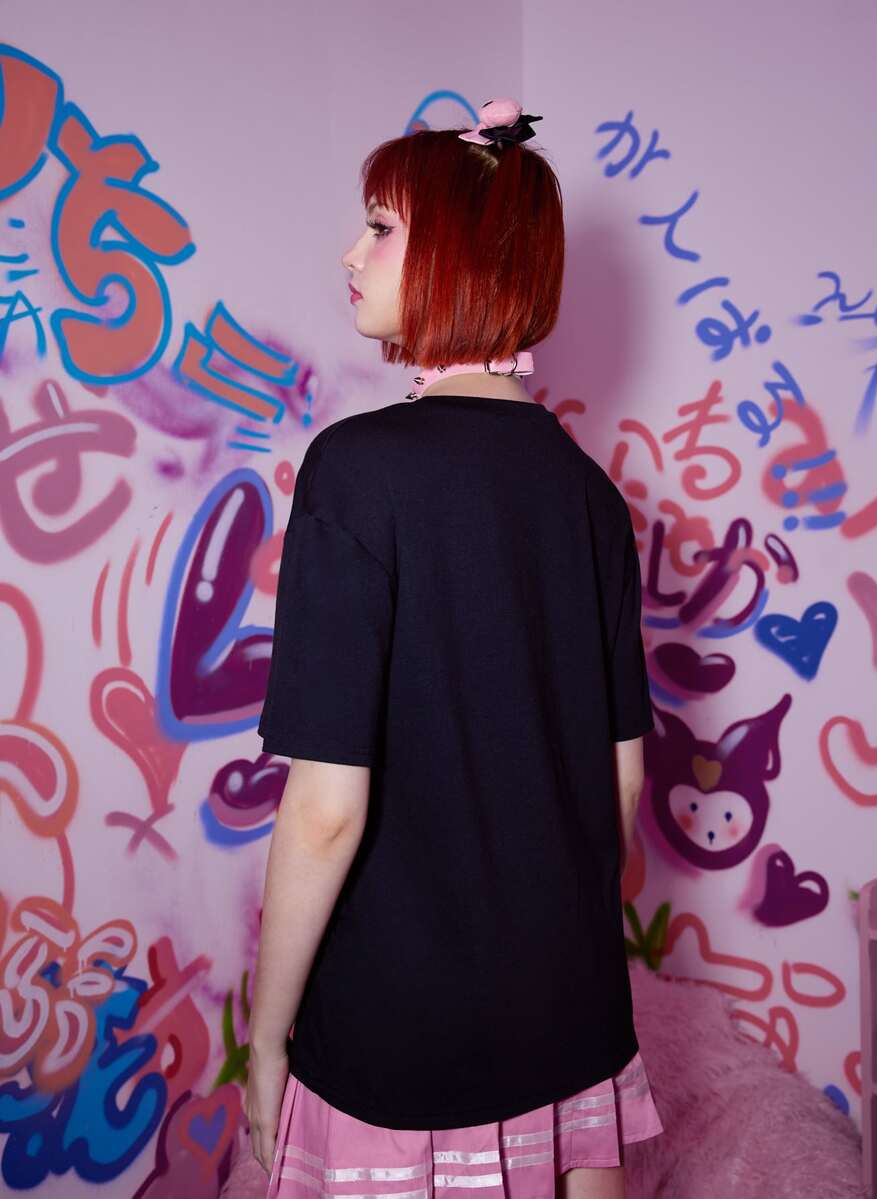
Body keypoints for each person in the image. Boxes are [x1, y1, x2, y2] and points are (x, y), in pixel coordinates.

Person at [246, 97, 664, 1199]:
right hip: (573, 1017)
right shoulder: (590, 495)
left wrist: (267, 1036)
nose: (351, 252)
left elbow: (325, 808)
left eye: (381, 226)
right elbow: (621, 784)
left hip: (402, 1044)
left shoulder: (358, 469)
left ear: (462, 253)